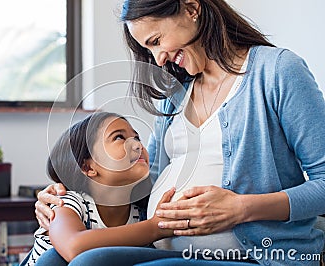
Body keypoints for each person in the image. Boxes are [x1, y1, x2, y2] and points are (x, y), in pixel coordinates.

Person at [35, 0, 325, 265]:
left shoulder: (276, 71)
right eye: (149, 50)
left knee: (90, 263)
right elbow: (146, 183)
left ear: (191, 8)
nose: (159, 59)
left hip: (256, 256)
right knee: (51, 260)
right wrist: (66, 197)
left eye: (157, 41)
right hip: (166, 248)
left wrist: (241, 208)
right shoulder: (174, 95)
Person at [21, 112, 179, 266]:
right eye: (119, 137)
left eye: (137, 138)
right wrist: (155, 228)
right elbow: (73, 246)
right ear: (88, 167)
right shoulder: (68, 204)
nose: (137, 145)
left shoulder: (139, 213)